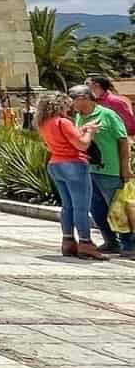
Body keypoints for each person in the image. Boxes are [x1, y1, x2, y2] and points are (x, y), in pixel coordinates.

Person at [38, 91, 109, 260]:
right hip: (74, 165)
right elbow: (82, 145)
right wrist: (90, 131)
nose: (70, 108)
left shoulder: (45, 123)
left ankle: (68, 241)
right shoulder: (63, 121)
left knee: (67, 206)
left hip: (56, 164)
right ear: (60, 105)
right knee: (81, 207)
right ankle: (85, 243)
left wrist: (82, 129)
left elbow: (66, 138)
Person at [70, 84, 132, 256]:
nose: (70, 103)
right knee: (97, 210)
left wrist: (125, 168)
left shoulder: (107, 115)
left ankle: (129, 244)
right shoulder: (79, 116)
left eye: (73, 99)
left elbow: (123, 141)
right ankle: (111, 241)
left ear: (84, 98)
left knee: (118, 209)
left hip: (111, 171)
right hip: (89, 170)